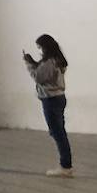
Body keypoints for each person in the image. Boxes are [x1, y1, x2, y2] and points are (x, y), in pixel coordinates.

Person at [24, 34, 72, 177]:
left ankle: (65, 166)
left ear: (46, 47)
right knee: (59, 132)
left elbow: (38, 77)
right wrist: (33, 62)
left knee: (57, 133)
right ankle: (66, 164)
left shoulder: (50, 62)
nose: (39, 50)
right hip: (59, 97)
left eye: (40, 47)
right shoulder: (57, 60)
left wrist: (28, 64)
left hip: (51, 99)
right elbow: (42, 70)